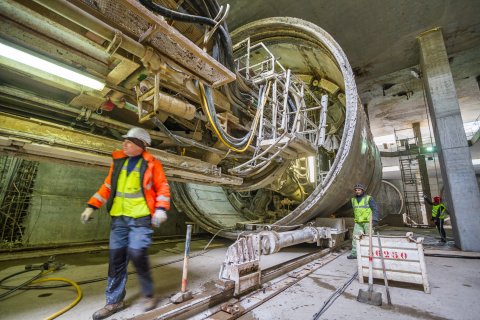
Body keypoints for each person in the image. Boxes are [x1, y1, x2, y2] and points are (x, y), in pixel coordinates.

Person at [80, 127, 170, 320]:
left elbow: (162, 186)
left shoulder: (152, 164)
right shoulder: (118, 161)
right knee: (116, 260)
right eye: (125, 140)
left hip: (141, 218)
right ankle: (114, 302)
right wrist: (91, 206)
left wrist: (161, 209)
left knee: (138, 254)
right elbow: (107, 187)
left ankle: (148, 295)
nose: (125, 143)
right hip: (119, 218)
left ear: (141, 145)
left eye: (129, 141)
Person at [347, 183, 379, 259]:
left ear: (363, 190)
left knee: (370, 238)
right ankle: (354, 254)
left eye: (359, 190)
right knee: (355, 238)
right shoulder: (353, 200)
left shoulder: (369, 198)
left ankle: (372, 253)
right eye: (356, 190)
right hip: (358, 222)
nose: (357, 191)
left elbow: (375, 209)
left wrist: (375, 219)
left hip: (367, 222)